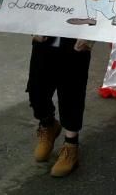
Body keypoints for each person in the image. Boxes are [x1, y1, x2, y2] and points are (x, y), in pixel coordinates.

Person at [27, 34, 94, 178]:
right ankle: (48, 125)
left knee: (72, 93)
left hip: (77, 41)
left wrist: (91, 36)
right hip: (45, 37)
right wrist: (33, 28)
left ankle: (71, 145)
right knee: (36, 89)